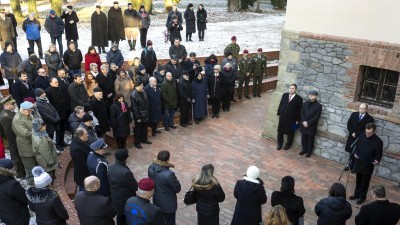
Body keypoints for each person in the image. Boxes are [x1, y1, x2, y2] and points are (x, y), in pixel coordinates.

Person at [350, 123, 383, 204]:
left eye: (369, 133)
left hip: (368, 164)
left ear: (374, 132)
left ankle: (362, 196)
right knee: (358, 180)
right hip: (359, 162)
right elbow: (356, 147)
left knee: (365, 182)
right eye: (366, 132)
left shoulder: (378, 141)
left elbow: (379, 154)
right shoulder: (362, 135)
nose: (367, 134)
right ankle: (356, 194)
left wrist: (377, 160)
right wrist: (355, 153)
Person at [148, 150, 181, 225]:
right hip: (168, 204)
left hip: (156, 200)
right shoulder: (169, 174)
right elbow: (177, 188)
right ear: (168, 159)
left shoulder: (151, 167)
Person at [108, 149, 138, 225]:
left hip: (115, 196)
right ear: (125, 158)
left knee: (119, 216)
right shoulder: (126, 172)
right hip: (125, 198)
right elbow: (134, 186)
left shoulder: (110, 167)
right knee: (125, 217)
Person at [0, 96, 25, 178]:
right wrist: (14, 143)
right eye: (13, 103)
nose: (15, 104)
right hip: (13, 140)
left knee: (18, 155)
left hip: (16, 138)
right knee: (16, 157)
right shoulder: (5, 117)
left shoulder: (9, 112)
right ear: (7, 105)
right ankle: (20, 173)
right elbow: (8, 133)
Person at [12, 101, 36, 185]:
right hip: (25, 146)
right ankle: (31, 184)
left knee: (35, 165)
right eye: (29, 110)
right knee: (30, 168)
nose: (30, 112)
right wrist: (38, 131)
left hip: (33, 144)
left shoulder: (28, 114)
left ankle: (37, 181)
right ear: (24, 110)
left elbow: (34, 123)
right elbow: (26, 134)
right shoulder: (18, 119)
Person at [0, 159, 30, 225]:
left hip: (5, 216)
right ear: (6, 170)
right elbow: (25, 199)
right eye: (13, 169)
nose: (15, 170)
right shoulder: (12, 184)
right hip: (19, 217)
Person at [277, 84, 303, 150]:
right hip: (283, 117)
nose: (291, 89)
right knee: (280, 131)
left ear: (295, 89)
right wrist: (279, 113)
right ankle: (279, 144)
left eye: (293, 88)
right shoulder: (285, 95)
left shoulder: (299, 99)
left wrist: (298, 120)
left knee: (291, 132)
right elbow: (281, 104)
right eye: (290, 88)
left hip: (293, 119)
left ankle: (288, 144)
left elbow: (299, 110)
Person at [300, 90, 322, 157]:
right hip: (304, 124)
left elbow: (316, 117)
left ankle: (309, 152)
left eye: (313, 95)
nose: (311, 96)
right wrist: (304, 121)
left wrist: (308, 123)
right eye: (310, 95)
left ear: (316, 96)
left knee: (310, 140)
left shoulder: (318, 106)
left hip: (311, 126)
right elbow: (302, 113)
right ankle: (304, 149)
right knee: (303, 138)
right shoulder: (306, 103)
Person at [131, 80, 152, 149]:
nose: (142, 86)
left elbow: (147, 103)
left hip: (145, 114)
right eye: (141, 85)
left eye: (142, 85)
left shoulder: (143, 92)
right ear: (137, 86)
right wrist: (138, 117)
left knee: (144, 128)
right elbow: (135, 108)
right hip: (139, 116)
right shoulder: (133, 95)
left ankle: (144, 140)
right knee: (138, 130)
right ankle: (137, 143)